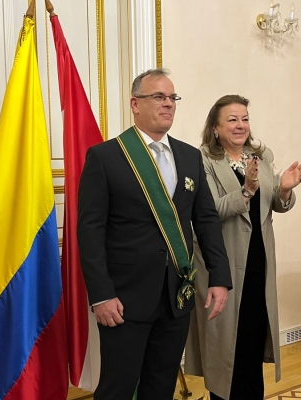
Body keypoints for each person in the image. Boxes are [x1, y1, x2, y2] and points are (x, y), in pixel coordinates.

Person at [77, 69, 233, 400]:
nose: (168, 104)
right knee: (117, 388)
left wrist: (219, 277)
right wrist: (101, 294)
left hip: (177, 294)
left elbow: (205, 221)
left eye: (172, 98)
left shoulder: (191, 156)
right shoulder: (106, 157)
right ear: (135, 104)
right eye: (158, 97)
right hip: (124, 299)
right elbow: (90, 231)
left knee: (160, 385)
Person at [184, 95, 301, 400]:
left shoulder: (262, 156)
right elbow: (207, 211)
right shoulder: (202, 160)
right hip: (221, 267)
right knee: (227, 347)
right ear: (215, 128)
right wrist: (245, 191)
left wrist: (283, 189)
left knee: (253, 341)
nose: (240, 125)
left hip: (259, 263)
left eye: (244, 118)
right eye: (232, 119)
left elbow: (273, 206)